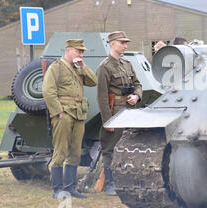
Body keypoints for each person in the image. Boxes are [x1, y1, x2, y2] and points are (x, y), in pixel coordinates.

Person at [42, 39, 98, 199]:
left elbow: (93, 82)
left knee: (75, 152)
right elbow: (48, 91)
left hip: (79, 113)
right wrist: (58, 111)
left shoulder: (78, 68)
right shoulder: (56, 67)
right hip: (63, 113)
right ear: (68, 50)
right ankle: (58, 190)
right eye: (78, 51)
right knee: (60, 151)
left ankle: (70, 188)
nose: (80, 54)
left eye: (82, 52)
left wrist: (83, 67)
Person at [96, 31, 143, 196]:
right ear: (112, 43)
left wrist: (136, 95)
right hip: (115, 113)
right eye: (122, 42)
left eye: (126, 42)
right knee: (110, 149)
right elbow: (101, 97)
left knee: (130, 147)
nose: (125, 45)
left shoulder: (127, 63)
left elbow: (137, 84)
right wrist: (107, 121)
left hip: (130, 111)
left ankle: (127, 181)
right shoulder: (104, 67)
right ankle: (110, 184)